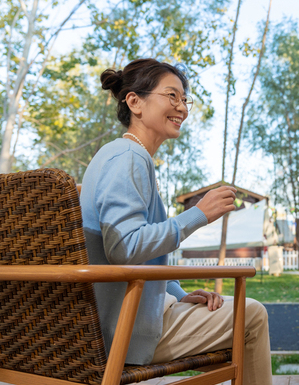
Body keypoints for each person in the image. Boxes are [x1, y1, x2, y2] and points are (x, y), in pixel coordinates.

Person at [79, 58, 272, 384]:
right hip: (120, 331)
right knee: (250, 315)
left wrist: (178, 293)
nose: (182, 107)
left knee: (230, 316)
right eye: (172, 96)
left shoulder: (118, 155)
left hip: (114, 317)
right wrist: (199, 214)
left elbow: (138, 258)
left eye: (184, 99)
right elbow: (123, 248)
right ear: (134, 101)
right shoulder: (130, 158)